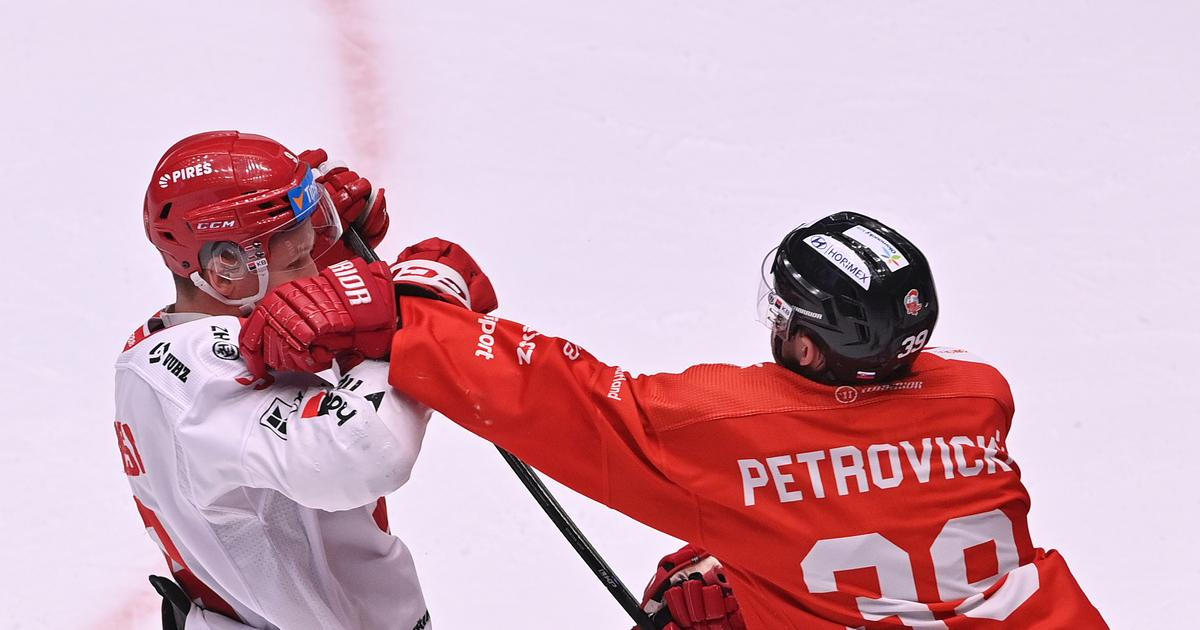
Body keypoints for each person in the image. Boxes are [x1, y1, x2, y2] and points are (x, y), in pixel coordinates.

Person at [238, 212, 1108, 629]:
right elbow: (882, 501)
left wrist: (405, 310)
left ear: (806, 349)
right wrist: (757, 566)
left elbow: (563, 401)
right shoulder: (979, 395)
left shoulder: (731, 427)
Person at [115, 130, 481, 630]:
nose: (314, 270)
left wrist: (339, 275)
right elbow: (361, 455)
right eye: (296, 260)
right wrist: (409, 318)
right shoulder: (198, 377)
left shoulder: (217, 328)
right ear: (225, 271)